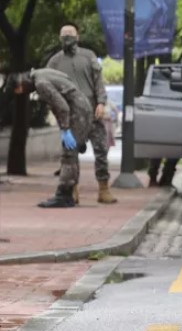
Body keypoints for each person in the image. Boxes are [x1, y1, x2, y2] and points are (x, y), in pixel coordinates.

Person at [45, 23, 117, 204]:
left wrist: (101, 102)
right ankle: (72, 189)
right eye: (64, 34)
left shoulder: (89, 56)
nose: (67, 37)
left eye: (70, 33)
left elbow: (98, 81)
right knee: (70, 153)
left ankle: (103, 188)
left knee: (101, 149)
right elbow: (49, 89)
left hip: (92, 110)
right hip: (71, 114)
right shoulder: (54, 62)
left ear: (78, 37)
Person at [10, 69, 93, 208]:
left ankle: (64, 195)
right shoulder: (42, 73)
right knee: (72, 151)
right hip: (83, 108)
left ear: (22, 82)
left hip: (77, 112)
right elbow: (68, 79)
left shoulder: (41, 83)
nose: (22, 92)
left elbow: (62, 107)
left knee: (68, 153)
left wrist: (66, 129)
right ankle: (70, 194)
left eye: (20, 89)